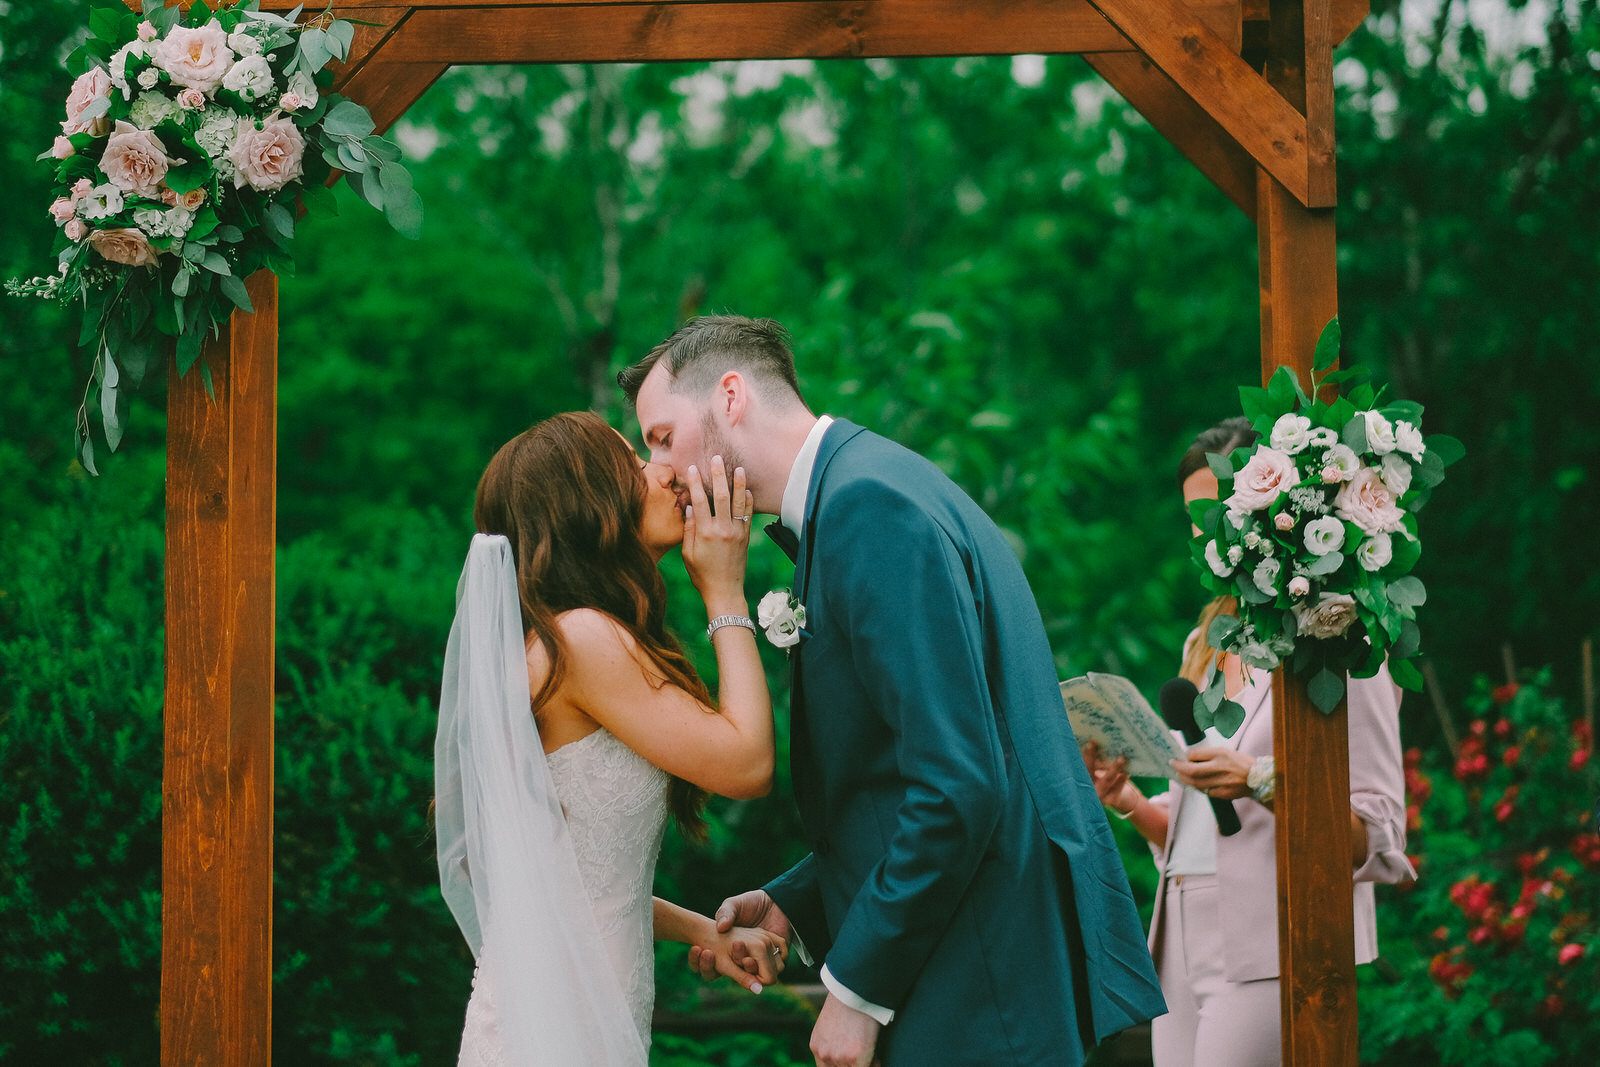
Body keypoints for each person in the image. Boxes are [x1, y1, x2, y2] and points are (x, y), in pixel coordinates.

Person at [618, 315, 1166, 1067]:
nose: (663, 467)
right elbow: (907, 777)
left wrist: (856, 989)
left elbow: (959, 786)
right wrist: (797, 898)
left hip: (979, 987)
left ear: (732, 397)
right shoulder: (870, 487)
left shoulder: (871, 509)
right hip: (978, 969)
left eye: (660, 436)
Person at [436, 411, 790, 1067]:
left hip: (572, 1023)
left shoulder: (577, 638)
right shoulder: (583, 641)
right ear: (587, 504)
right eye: (630, 463)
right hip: (553, 1036)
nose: (661, 471)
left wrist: (700, 932)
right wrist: (724, 589)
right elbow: (747, 763)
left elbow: (571, 882)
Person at [1080, 416, 1416, 1067]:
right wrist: (1128, 800)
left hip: (1275, 936)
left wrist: (1262, 779)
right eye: (1192, 518)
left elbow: (1377, 832)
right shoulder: (1204, 641)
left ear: (1265, 505)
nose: (1206, 533)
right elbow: (1207, 829)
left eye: (1216, 511)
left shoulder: (1340, 632)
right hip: (1179, 932)